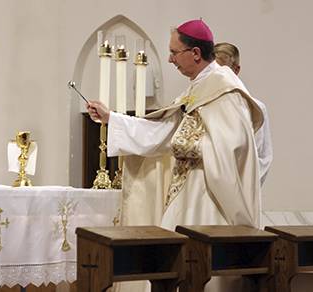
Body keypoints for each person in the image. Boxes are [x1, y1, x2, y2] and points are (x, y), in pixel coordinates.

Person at [88, 19, 264, 292]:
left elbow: (235, 144)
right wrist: (112, 118)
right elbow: (164, 131)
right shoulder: (197, 88)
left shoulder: (224, 87)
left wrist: (190, 145)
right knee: (172, 266)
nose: (170, 60)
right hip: (185, 192)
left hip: (211, 199)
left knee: (201, 272)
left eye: (174, 52)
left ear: (195, 53)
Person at [214, 42, 272, 185]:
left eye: (224, 71)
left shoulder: (255, 108)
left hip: (241, 185)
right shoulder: (202, 106)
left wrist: (244, 187)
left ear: (236, 70)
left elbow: (261, 157)